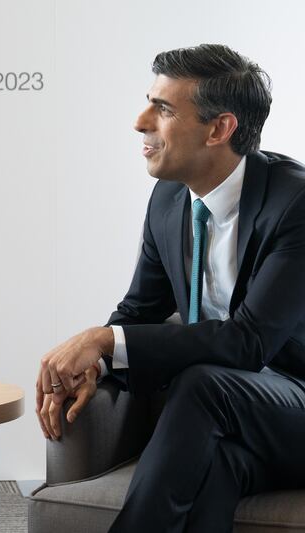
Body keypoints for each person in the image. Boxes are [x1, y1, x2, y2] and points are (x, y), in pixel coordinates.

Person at [36, 44, 305, 532]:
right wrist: (96, 365)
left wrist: (102, 339)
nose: (140, 122)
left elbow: (248, 343)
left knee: (203, 385)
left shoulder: (295, 204)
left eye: (162, 109)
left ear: (219, 129)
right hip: (242, 420)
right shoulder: (168, 200)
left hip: (294, 399)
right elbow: (140, 310)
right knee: (218, 466)